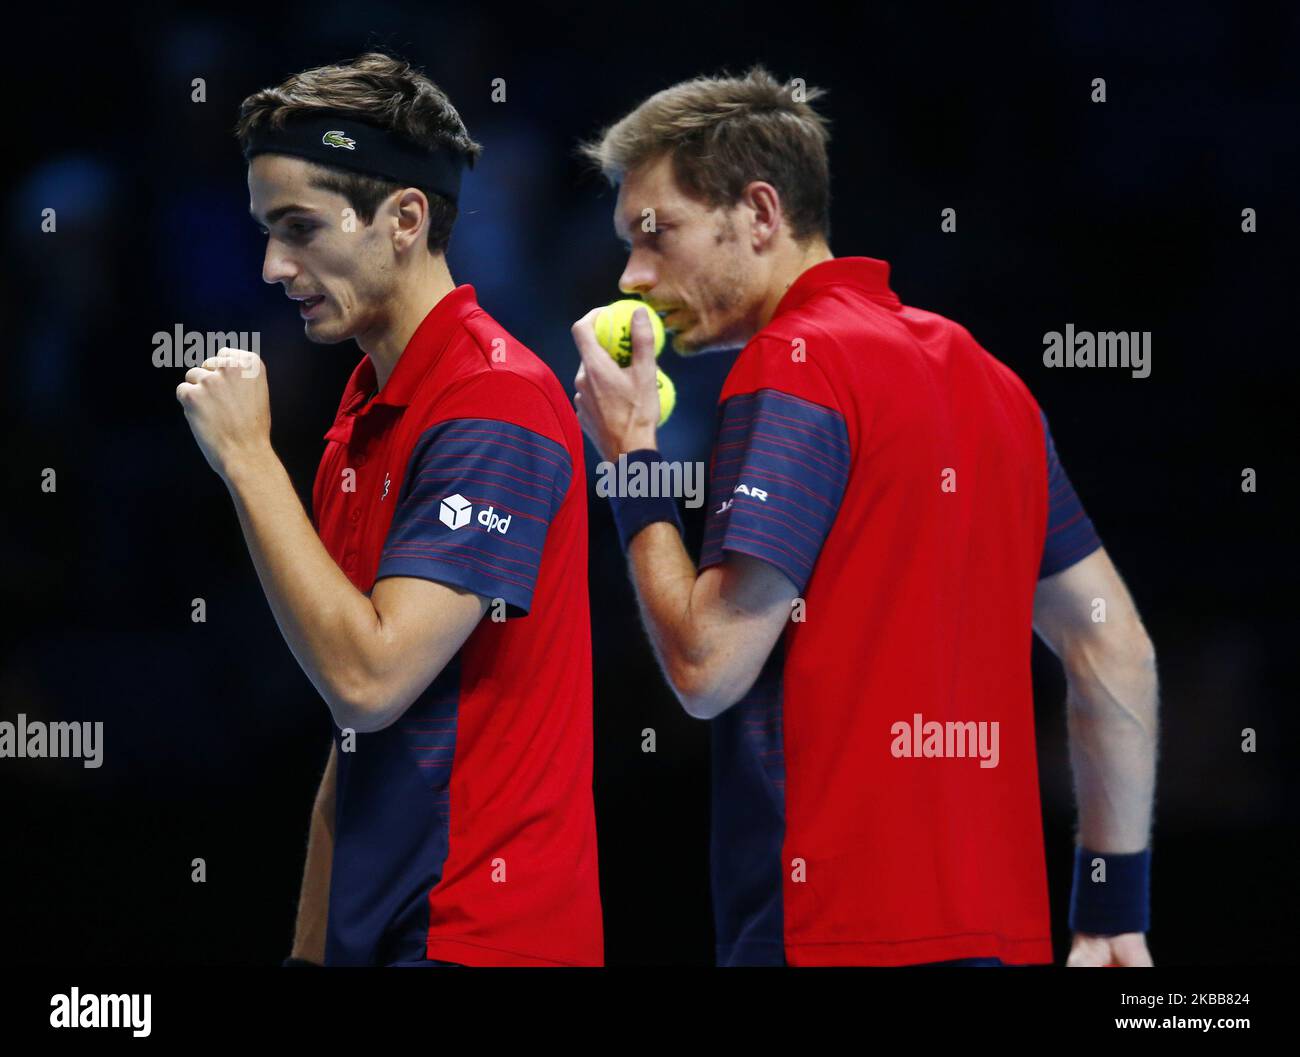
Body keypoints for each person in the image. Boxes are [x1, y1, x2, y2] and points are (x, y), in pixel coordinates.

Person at [571, 67, 1157, 967]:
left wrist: (629, 461)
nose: (633, 274)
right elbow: (1113, 645)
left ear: (761, 213)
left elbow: (706, 664)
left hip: (831, 937)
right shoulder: (991, 383)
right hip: (1002, 940)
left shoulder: (791, 364)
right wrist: (1113, 911)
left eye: (658, 234)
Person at [176, 52, 603, 967]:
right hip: (378, 940)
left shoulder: (498, 404)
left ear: (406, 219)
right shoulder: (364, 414)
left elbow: (372, 680)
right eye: (264, 230)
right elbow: (352, 728)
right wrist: (308, 951)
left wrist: (249, 459)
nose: (271, 266)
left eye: (299, 228)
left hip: (483, 940)